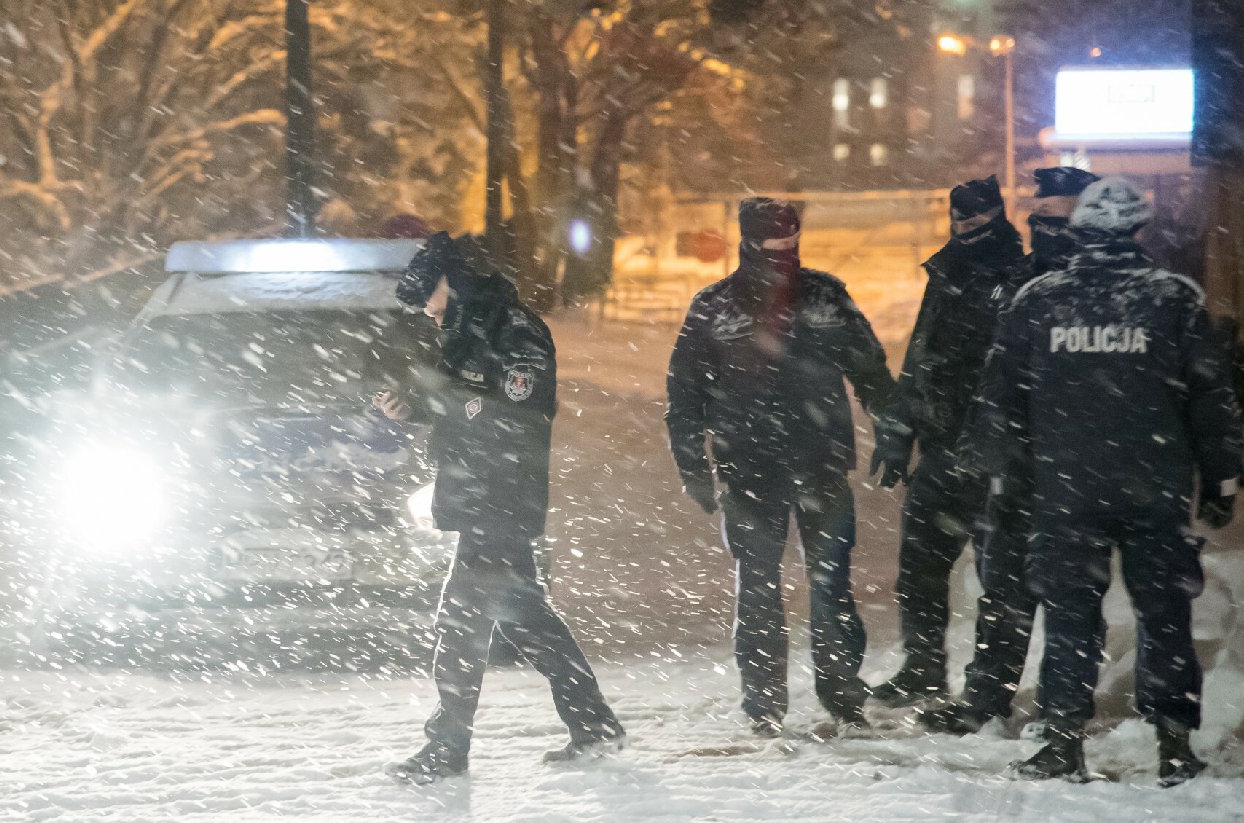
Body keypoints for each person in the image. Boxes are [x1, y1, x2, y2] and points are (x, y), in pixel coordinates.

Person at [980, 178, 1242, 785]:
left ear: (1080, 233)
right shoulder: (1172, 301)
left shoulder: (1039, 301)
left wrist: (1008, 477)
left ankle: (1063, 743)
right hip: (1155, 486)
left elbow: (1000, 401)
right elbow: (1211, 397)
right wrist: (1223, 478)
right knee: (1165, 615)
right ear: (1135, 232)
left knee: (1070, 614)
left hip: (1067, 488)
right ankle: (1174, 747)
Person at [382, 232, 624, 784]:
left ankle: (449, 748)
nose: (426, 308)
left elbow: (514, 409)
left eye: (429, 296)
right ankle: (593, 724)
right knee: (525, 617)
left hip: (501, 495)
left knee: (462, 620)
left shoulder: (515, 331)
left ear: (453, 282)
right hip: (480, 496)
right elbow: (465, 401)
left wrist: (443, 402)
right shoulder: (468, 333)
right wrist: (416, 406)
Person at [666, 198, 894, 736]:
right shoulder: (714, 307)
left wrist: (894, 429)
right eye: (772, 248)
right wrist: (692, 467)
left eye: (791, 247)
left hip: (820, 467)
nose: (783, 258)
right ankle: (765, 705)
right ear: (747, 243)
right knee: (760, 586)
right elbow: (684, 396)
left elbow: (871, 369)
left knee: (830, 585)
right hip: (749, 471)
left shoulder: (824, 297)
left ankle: (841, 698)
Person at [919, 166, 1100, 734]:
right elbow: (980, 372)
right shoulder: (1014, 283)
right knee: (1003, 586)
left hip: (1078, 462)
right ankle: (986, 698)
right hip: (1017, 461)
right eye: (1039, 216)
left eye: (1061, 217)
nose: (1047, 227)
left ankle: (1061, 708)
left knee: (1073, 593)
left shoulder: (1105, 291)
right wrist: (975, 440)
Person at [869, 176, 1032, 707]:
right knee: (918, 570)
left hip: (996, 456)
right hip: (942, 449)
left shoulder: (1020, 276)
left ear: (997, 217)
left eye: (977, 221)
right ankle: (923, 670)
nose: (966, 230)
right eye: (959, 221)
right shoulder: (947, 274)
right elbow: (921, 359)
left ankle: (989, 693)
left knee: (999, 584)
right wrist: (898, 433)